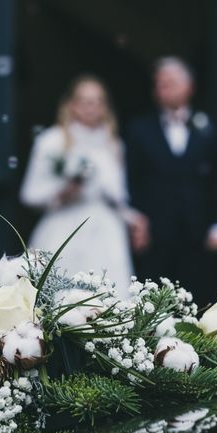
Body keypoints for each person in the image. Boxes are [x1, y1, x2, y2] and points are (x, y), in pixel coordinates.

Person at [125, 57, 217, 306]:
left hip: (198, 232)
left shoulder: (208, 128)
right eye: (159, 84)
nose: (164, 89)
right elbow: (132, 179)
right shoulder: (140, 129)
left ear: (190, 87)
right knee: (153, 300)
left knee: (198, 299)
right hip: (155, 233)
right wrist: (135, 220)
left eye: (171, 83)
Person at [20, 75, 141, 298]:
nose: (91, 107)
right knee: (60, 290)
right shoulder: (52, 140)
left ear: (105, 107)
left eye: (97, 101)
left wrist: (133, 219)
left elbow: (118, 197)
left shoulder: (113, 144)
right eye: (84, 101)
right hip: (63, 224)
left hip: (105, 229)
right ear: (71, 105)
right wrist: (63, 192)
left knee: (108, 291)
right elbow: (29, 194)